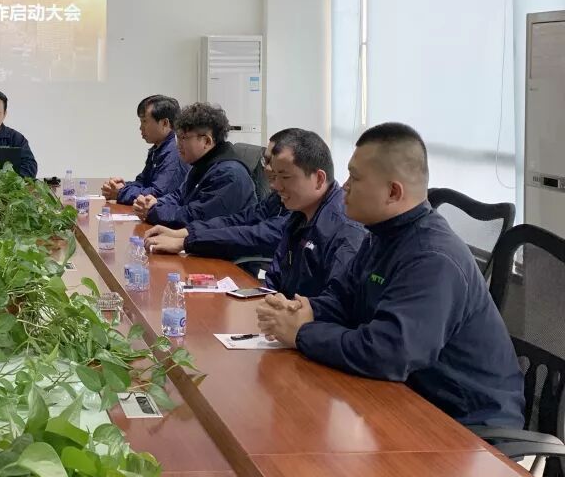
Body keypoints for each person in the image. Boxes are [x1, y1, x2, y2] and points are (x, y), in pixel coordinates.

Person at [257, 122, 525, 429]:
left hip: (468, 426)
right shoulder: (381, 236)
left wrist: (301, 333)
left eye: (355, 178)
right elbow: (344, 299)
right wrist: (305, 310)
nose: (344, 187)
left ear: (393, 192)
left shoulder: (432, 258)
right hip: (408, 399)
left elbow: (387, 352)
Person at [144, 128, 295, 258]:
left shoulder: (229, 173)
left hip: (234, 258)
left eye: (184, 138)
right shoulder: (200, 166)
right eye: (266, 161)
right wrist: (183, 233)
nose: (268, 169)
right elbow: (238, 220)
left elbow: (255, 234)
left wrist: (185, 241)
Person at [260, 130, 364, 297]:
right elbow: (274, 277)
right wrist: (266, 299)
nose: (276, 186)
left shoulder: (346, 229)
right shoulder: (298, 215)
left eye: (285, 177)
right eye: (275, 177)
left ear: (319, 179)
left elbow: (337, 301)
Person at [132, 103, 255, 228]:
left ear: (206, 141)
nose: (178, 145)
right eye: (178, 138)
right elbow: (179, 196)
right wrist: (155, 203)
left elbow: (196, 217)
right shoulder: (202, 164)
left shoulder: (229, 174)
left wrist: (154, 211)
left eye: (183, 138)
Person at [101, 95, 188, 204]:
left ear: (165, 123)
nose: (140, 127)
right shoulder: (158, 149)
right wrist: (120, 186)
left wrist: (120, 192)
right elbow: (142, 183)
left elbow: (157, 194)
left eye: (144, 121)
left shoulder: (175, 152)